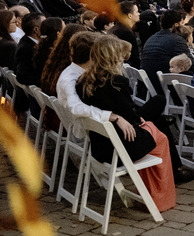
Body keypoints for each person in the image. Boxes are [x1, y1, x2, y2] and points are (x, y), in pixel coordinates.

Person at [76, 36, 177, 207]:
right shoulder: (117, 82)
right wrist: (136, 119)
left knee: (154, 126)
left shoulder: (82, 82)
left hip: (100, 146)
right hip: (122, 146)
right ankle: (160, 197)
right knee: (160, 137)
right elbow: (129, 118)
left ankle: (151, 192)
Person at [142, 10, 194, 86]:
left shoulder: (152, 38)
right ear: (176, 25)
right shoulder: (177, 40)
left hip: (149, 82)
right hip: (164, 83)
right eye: (182, 23)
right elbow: (191, 64)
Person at [14, 13, 46, 87]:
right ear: (36, 29)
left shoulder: (26, 40)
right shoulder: (26, 48)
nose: (48, 26)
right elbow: (23, 76)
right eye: (45, 25)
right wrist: (47, 83)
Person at [111, 1, 143, 68]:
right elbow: (133, 58)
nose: (139, 14)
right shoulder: (126, 33)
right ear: (130, 15)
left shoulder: (117, 28)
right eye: (137, 12)